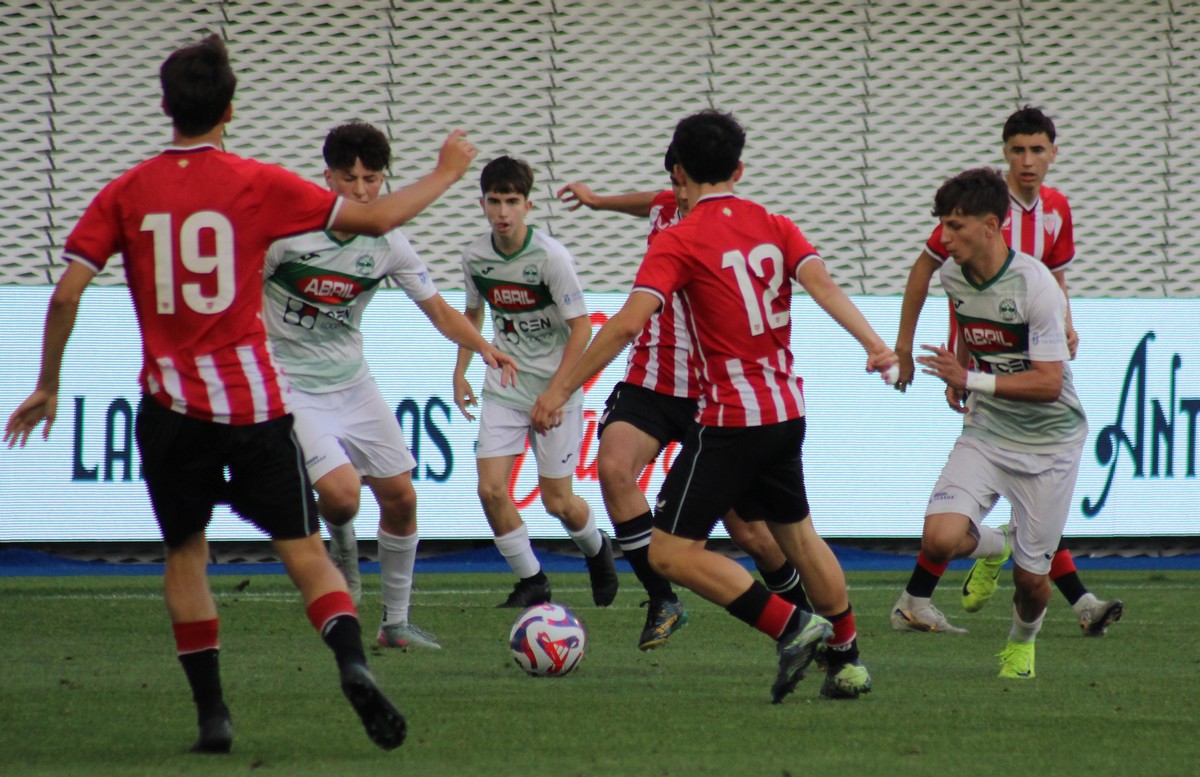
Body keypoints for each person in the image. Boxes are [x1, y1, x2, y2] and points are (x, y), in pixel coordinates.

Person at [3, 35, 478, 753]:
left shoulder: (127, 191)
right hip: (256, 403)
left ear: (165, 107)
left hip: (171, 408)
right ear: (230, 109)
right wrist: (446, 169)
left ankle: (213, 716)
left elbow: (69, 290)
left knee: (187, 554)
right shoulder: (257, 183)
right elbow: (378, 220)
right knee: (306, 549)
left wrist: (47, 383)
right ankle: (352, 660)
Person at [533, 110, 896, 702]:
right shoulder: (776, 224)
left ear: (678, 171)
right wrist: (875, 345)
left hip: (729, 419)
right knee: (801, 540)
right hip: (786, 410)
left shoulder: (679, 237)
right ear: (739, 169)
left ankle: (793, 625)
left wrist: (559, 389)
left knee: (672, 553)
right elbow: (824, 285)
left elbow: (626, 325)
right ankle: (849, 662)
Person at [263, 122, 517, 650]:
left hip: (351, 383)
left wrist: (486, 347)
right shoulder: (286, 233)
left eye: (372, 179)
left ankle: (394, 624)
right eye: (349, 178)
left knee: (401, 497)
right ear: (326, 175)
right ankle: (342, 544)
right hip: (288, 385)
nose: (360, 191)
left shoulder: (389, 244)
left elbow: (441, 310)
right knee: (342, 495)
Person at [557, 152, 815, 652]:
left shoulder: (720, 228)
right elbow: (646, 204)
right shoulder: (665, 209)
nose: (677, 193)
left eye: (682, 184)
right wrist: (597, 202)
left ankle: (802, 617)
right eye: (674, 184)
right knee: (613, 467)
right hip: (651, 380)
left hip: (709, 393)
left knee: (752, 535)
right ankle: (662, 600)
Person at [890, 106, 1122, 636]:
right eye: (1017, 149)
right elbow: (935, 274)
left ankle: (1068, 599)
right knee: (978, 507)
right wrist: (920, 353)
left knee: (1035, 488)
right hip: (985, 362)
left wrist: (1068, 323)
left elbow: (1052, 285)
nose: (1027, 160)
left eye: (1037, 150)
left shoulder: (1056, 210)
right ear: (1004, 152)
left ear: (1053, 154)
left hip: (1034, 357)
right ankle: (1074, 597)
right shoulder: (974, 212)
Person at [910, 166, 1089, 678]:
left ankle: (1020, 645)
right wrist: (962, 372)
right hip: (987, 431)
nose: (944, 238)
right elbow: (971, 322)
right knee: (939, 538)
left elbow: (1049, 383)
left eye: (956, 226)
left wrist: (969, 378)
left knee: (1033, 583)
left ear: (992, 225)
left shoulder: (1037, 287)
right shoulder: (951, 274)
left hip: (1050, 444)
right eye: (942, 224)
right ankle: (997, 546)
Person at [452, 155, 618, 609]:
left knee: (558, 501)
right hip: (505, 383)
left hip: (555, 386)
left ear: (528, 205)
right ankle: (533, 579)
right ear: (482, 203)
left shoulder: (550, 258)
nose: (502, 212)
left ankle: (598, 549)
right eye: (494, 201)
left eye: (511, 201)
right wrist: (461, 368)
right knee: (490, 490)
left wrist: (558, 391)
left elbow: (581, 328)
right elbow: (472, 314)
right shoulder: (475, 256)